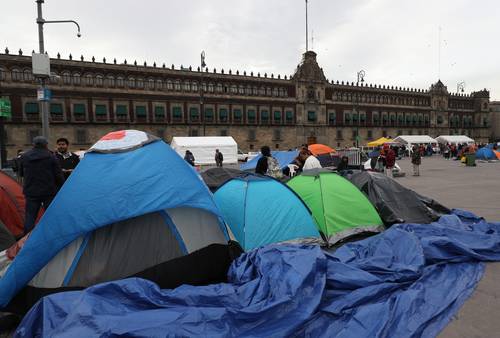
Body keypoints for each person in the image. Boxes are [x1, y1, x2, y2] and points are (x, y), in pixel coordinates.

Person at [19, 136, 64, 234]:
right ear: (46, 145)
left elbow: (21, 173)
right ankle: (50, 235)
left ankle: (27, 238)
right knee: (50, 215)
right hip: (49, 191)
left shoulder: (25, 156)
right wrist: (62, 186)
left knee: (30, 216)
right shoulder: (51, 156)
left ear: (33, 144)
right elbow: (58, 174)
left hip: (31, 191)